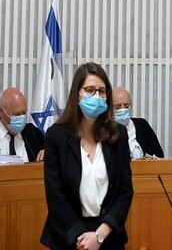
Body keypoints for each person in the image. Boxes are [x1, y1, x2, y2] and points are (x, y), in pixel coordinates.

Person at [41, 63, 133, 250]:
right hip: (68, 237)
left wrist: (99, 236)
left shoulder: (119, 135)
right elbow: (56, 196)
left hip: (108, 237)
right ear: (77, 94)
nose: (97, 96)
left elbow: (125, 192)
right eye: (90, 90)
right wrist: (82, 239)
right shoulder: (56, 136)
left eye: (102, 91)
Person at [111, 87, 164, 159]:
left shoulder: (142, 125)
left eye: (126, 106)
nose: (123, 110)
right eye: (118, 107)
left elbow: (159, 156)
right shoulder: (103, 131)